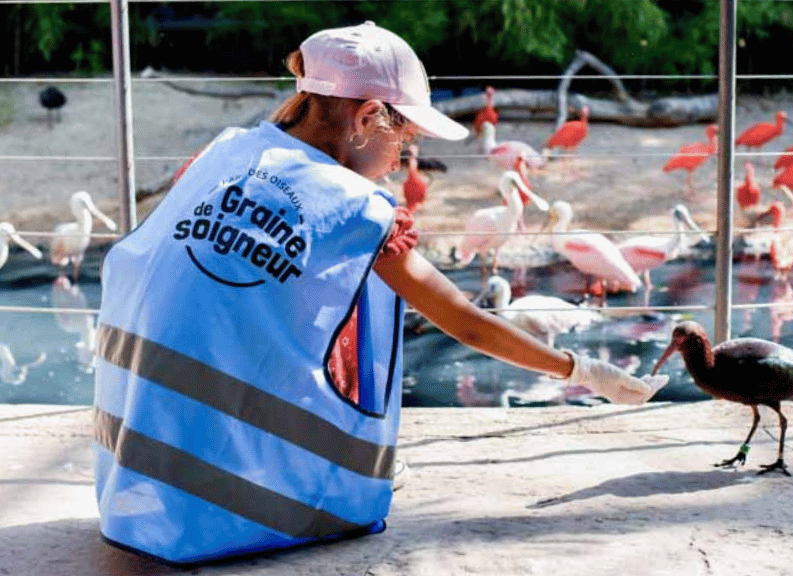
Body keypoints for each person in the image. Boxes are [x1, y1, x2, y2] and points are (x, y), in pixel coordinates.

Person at [92, 21, 668, 565]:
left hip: (131, 489)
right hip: (221, 509)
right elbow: (465, 320)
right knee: (363, 271)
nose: (400, 161)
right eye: (406, 138)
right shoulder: (357, 207)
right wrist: (583, 371)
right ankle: (338, 474)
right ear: (367, 117)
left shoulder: (222, 154)